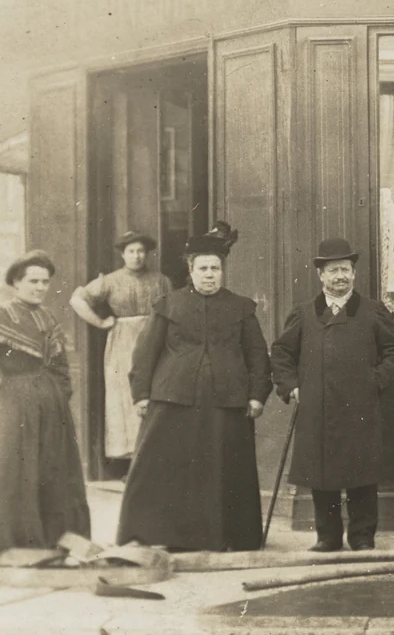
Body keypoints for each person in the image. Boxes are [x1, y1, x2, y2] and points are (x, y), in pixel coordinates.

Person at [116, 224, 272, 552]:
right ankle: (156, 536)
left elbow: (258, 355)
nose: (210, 275)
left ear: (223, 271)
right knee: (159, 469)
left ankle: (226, 537)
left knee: (222, 472)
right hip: (172, 400)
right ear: (191, 270)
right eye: (203, 268)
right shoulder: (167, 305)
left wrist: (258, 394)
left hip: (226, 404)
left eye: (215, 268)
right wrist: (141, 394)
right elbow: (145, 354)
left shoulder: (241, 308)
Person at [271, 238, 394, 551]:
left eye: (345, 270)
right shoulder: (304, 314)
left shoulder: (373, 312)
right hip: (317, 408)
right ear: (320, 275)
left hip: (360, 407)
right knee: (323, 476)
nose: (340, 277)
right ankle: (328, 537)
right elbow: (281, 353)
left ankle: (362, 537)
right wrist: (291, 386)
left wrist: (375, 381)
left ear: (354, 273)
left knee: (362, 475)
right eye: (333, 271)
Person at [0, 251, 91, 562]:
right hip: (15, 403)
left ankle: (54, 542)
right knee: (14, 469)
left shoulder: (46, 317)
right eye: (33, 281)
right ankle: (13, 543)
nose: (40, 287)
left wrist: (59, 392)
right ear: (16, 283)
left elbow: (58, 362)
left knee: (53, 468)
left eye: (45, 282)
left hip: (51, 406)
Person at [70, 231, 172, 459]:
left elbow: (173, 309)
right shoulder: (110, 280)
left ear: (146, 254)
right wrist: (100, 322)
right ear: (123, 255)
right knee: (126, 394)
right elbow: (77, 299)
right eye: (131, 251)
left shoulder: (161, 280)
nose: (136, 256)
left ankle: (154, 455)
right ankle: (132, 457)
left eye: (141, 251)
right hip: (123, 342)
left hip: (155, 338)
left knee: (156, 390)